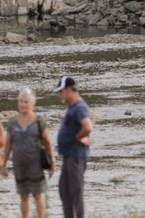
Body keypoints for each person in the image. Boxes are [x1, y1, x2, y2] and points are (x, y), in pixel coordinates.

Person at [3, 88, 56, 218]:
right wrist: (3, 164)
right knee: (23, 196)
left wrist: (52, 162)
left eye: (26, 102)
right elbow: (8, 144)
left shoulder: (39, 121)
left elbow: (48, 143)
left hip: (36, 165)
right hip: (19, 165)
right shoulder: (12, 122)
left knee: (38, 195)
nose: (23, 104)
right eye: (21, 101)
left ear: (33, 103)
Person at [54, 76, 93, 218]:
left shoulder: (79, 107)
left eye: (60, 91)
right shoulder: (73, 107)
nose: (59, 95)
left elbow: (87, 126)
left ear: (69, 89)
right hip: (68, 156)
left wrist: (78, 137)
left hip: (76, 156)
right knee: (64, 191)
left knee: (75, 192)